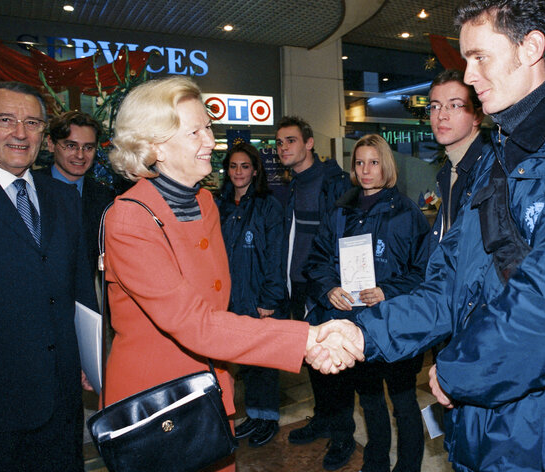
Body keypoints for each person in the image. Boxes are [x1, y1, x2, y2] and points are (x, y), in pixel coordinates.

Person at [311, 0, 545, 471]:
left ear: (532, 47)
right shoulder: (501, 152)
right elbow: (448, 283)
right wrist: (362, 333)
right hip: (482, 417)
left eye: (480, 58)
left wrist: (458, 371)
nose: (469, 76)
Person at [102, 77, 361, 472]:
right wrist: (305, 338)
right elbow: (193, 322)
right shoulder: (130, 218)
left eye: (208, 126)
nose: (211, 141)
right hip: (158, 403)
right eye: (195, 131)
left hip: (211, 385)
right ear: (155, 146)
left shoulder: (204, 201)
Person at [0, 81, 97, 470]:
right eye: (6, 120)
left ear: (45, 133)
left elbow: (78, 285)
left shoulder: (60, 196)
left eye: (33, 123)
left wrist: (88, 358)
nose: (21, 133)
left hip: (61, 396)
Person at [305, 134, 430, 472]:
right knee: (371, 402)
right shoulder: (340, 211)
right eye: (359, 162)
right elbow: (316, 260)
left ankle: (408, 467)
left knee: (404, 404)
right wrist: (329, 288)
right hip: (357, 326)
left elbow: (425, 272)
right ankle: (375, 464)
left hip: (397, 323)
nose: (365, 170)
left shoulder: (407, 213)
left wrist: (389, 290)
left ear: (385, 165)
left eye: (373, 162)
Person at [275, 115, 353, 469]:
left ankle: (343, 437)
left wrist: (333, 285)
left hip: (323, 287)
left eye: (290, 141)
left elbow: (341, 239)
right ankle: (322, 420)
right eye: (279, 143)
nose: (283, 149)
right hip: (297, 284)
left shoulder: (332, 182)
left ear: (309, 143)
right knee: (312, 359)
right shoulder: (293, 184)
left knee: (334, 365)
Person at [217, 142, 286, 447]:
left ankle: (268, 419)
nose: (238, 172)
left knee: (265, 364)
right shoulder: (221, 205)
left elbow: (276, 255)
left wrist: (269, 300)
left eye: (245, 166)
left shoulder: (268, 205)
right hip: (232, 300)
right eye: (233, 166)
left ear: (256, 170)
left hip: (260, 299)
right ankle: (254, 415)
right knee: (246, 363)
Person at [47, 110, 115, 275]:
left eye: (88, 148)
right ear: (51, 144)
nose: (80, 155)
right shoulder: (28, 189)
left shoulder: (106, 198)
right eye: (71, 146)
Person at [427, 69, 484, 251]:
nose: (441, 115)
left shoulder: (488, 170)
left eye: (454, 105)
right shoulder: (448, 172)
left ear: (477, 115)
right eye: (435, 106)